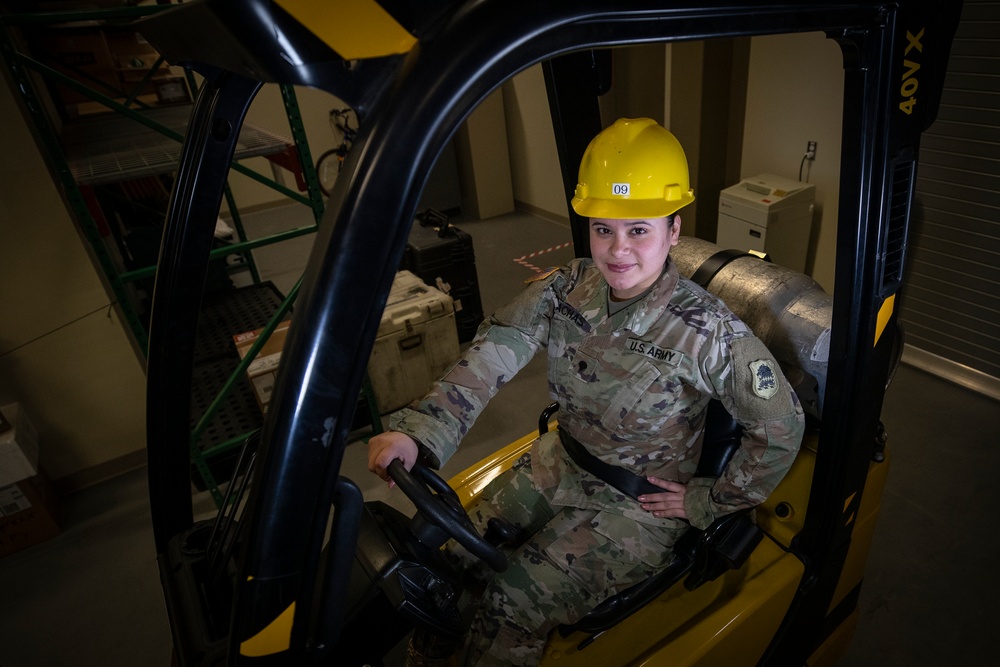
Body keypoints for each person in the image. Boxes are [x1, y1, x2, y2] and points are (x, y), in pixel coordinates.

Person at [368, 117, 805, 666]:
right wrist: (420, 430)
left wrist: (708, 501)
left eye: (639, 230)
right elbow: (496, 347)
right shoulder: (567, 286)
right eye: (604, 229)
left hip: (637, 508)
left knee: (511, 602)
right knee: (449, 564)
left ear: (674, 230)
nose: (618, 251)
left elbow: (781, 426)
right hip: (558, 463)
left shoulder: (709, 333)